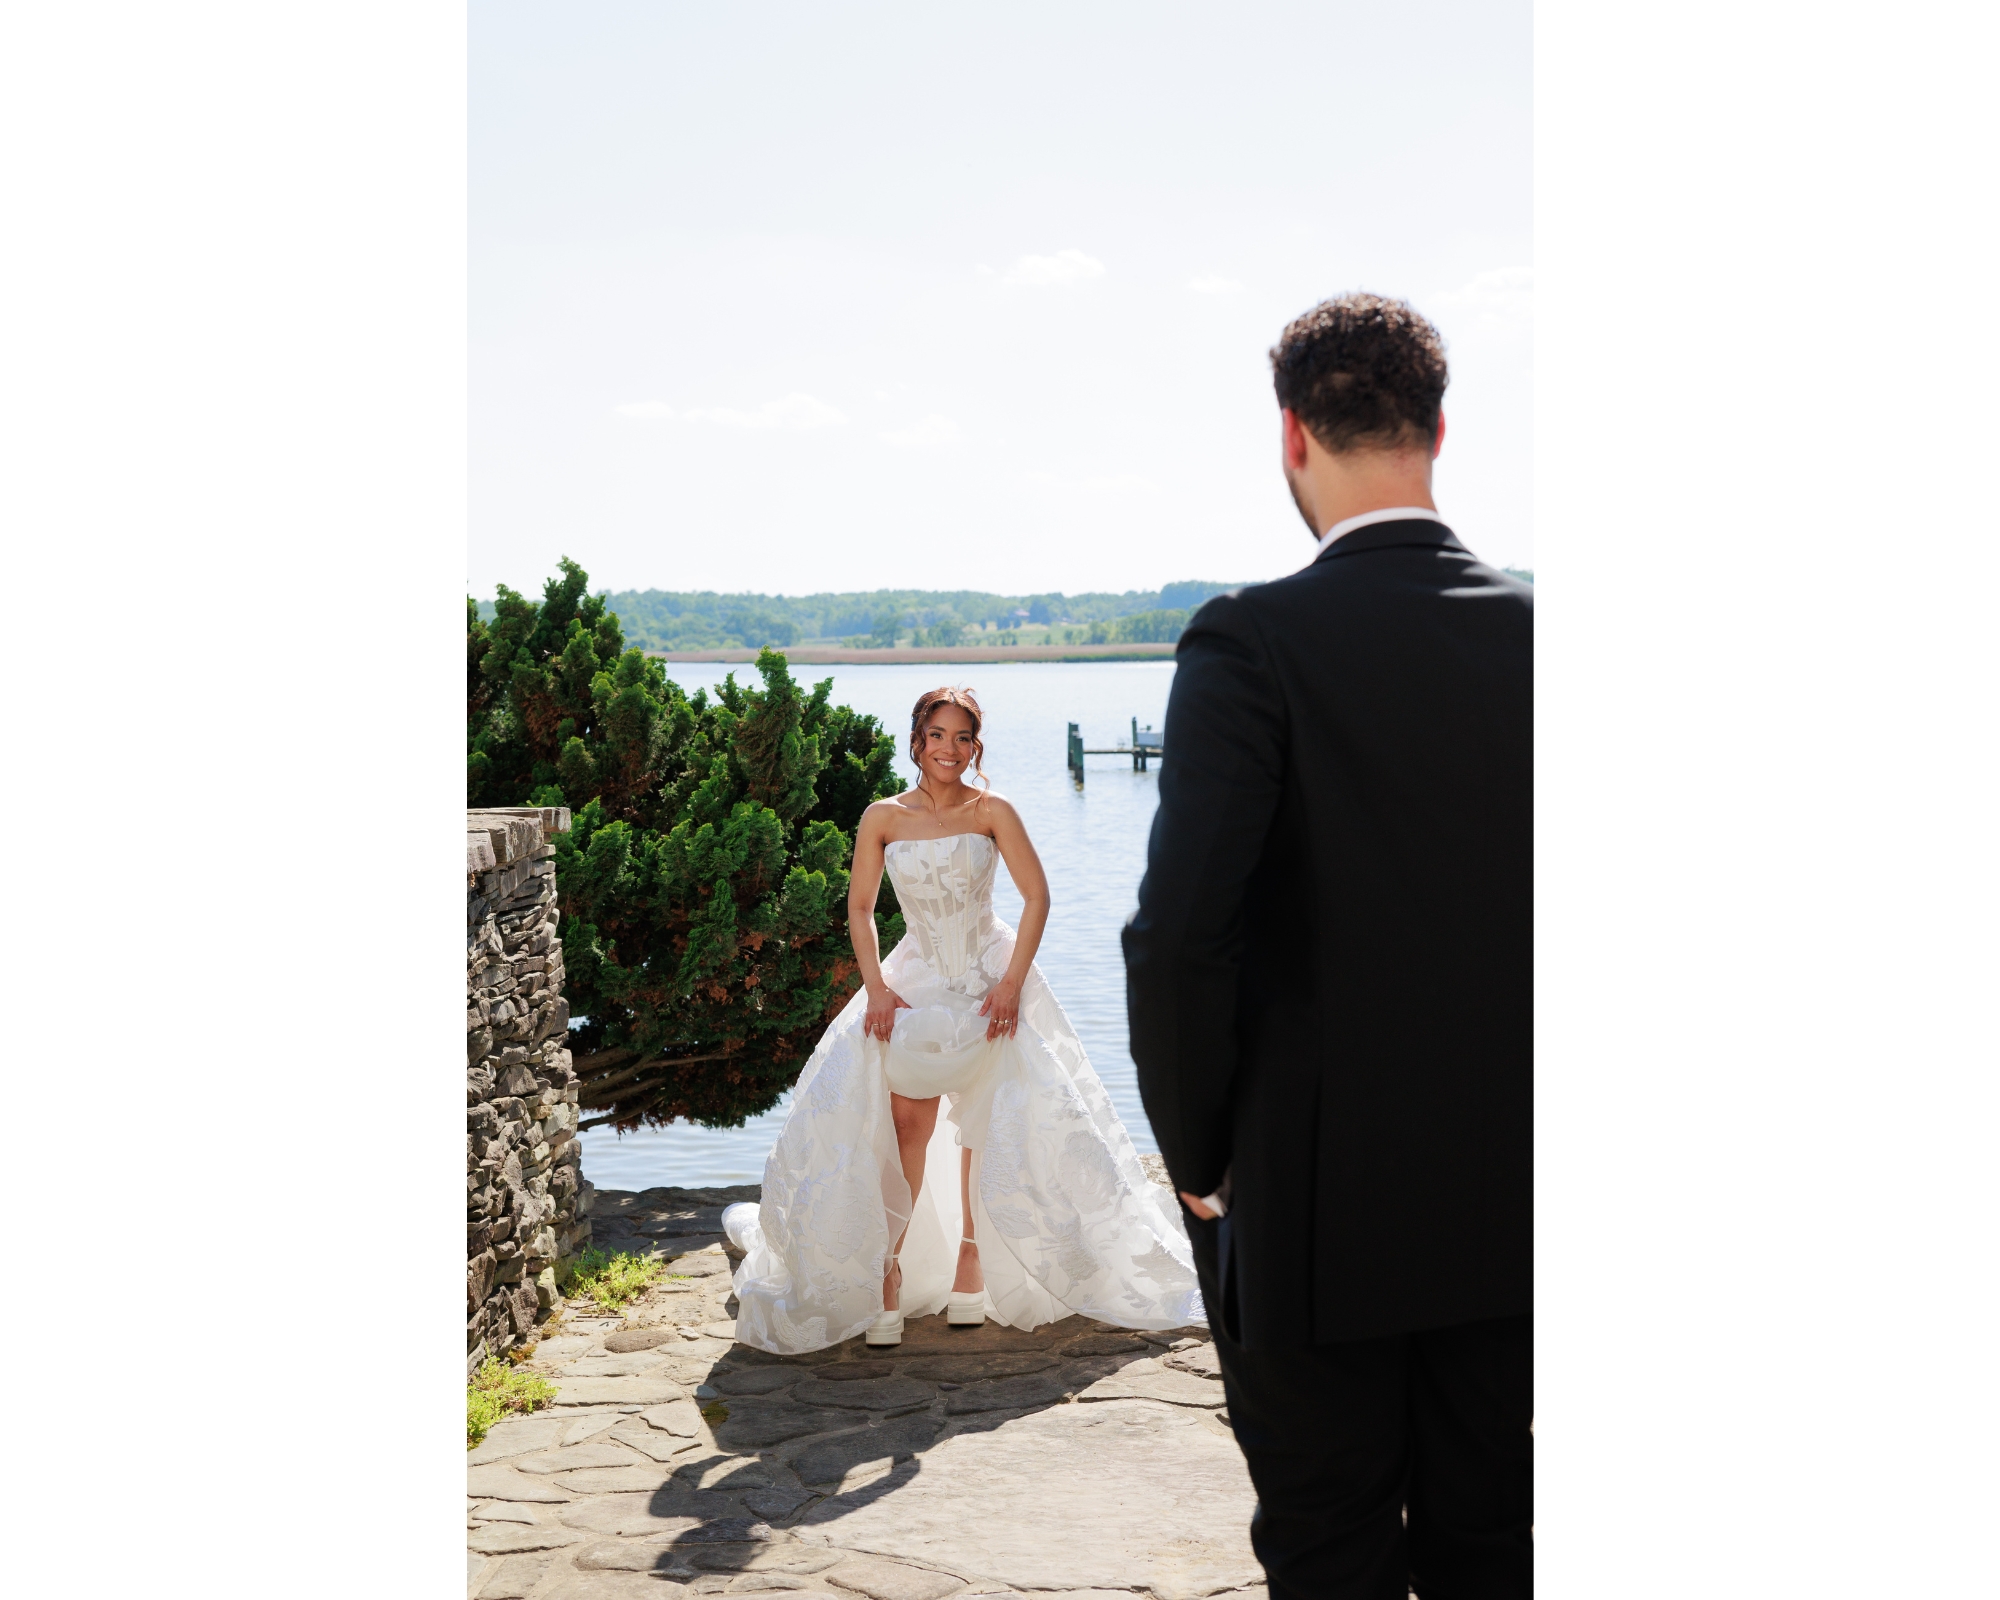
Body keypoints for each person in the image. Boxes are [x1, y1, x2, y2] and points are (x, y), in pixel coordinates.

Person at [1123, 293, 1533, 1598]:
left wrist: (1198, 1159)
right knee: (1490, 1543)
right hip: (1517, 1196)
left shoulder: (1251, 643)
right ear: (1440, 429)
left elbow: (1181, 937)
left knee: (1328, 1546)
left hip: (1311, 1212)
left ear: (1292, 434)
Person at [724, 686, 1202, 1352]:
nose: (950, 749)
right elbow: (859, 909)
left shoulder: (992, 811)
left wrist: (1010, 986)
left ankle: (970, 1268)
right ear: (917, 738)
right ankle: (887, 1271)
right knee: (906, 1123)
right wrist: (877, 990)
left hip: (988, 981)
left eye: (963, 737)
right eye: (938, 735)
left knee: (990, 1122)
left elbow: (1037, 897)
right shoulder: (882, 817)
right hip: (914, 985)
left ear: (976, 745)